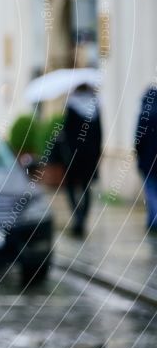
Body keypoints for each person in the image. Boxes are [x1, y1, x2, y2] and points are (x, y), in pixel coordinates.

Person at [58, 84, 103, 237]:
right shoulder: (95, 107)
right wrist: (97, 154)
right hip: (89, 156)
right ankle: (82, 218)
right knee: (86, 187)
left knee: (71, 186)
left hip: (73, 155)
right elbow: (99, 134)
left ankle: (77, 216)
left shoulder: (72, 106)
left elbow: (66, 132)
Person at [135, 83, 157, 232]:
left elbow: (138, 138)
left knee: (150, 191)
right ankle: (151, 219)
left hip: (147, 160)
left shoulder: (145, 114)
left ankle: (154, 220)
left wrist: (138, 153)